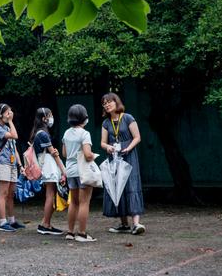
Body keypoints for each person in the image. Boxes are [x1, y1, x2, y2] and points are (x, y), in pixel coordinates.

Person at [100, 92, 146, 235]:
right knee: (117, 187)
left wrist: (128, 148)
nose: (107, 105)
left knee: (132, 185)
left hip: (129, 155)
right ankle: (124, 224)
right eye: (104, 103)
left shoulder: (127, 118)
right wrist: (108, 147)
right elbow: (102, 142)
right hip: (114, 157)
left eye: (109, 102)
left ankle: (136, 224)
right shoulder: (106, 123)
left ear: (116, 102)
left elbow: (137, 137)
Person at [61, 104, 97, 242]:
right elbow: (87, 155)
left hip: (70, 171)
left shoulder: (66, 133)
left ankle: (70, 232)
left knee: (74, 202)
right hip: (82, 171)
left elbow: (64, 153)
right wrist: (93, 155)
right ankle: (82, 233)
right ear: (84, 118)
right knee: (84, 203)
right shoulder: (85, 134)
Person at [30, 107, 67, 236]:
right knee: (50, 195)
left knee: (50, 194)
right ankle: (45, 225)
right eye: (50, 115)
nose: (51, 118)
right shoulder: (43, 134)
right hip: (48, 165)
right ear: (44, 118)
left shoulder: (37, 133)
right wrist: (64, 171)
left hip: (45, 164)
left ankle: (45, 223)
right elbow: (53, 153)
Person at [0, 103, 25, 232]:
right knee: (3, 193)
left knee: (11, 194)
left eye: (10, 112)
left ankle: (12, 220)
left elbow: (14, 149)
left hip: (12, 164)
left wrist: (20, 165)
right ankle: (2, 222)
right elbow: (15, 135)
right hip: (3, 163)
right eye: (7, 112)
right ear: (1, 114)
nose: (10, 114)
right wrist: (11, 122)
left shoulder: (6, 127)